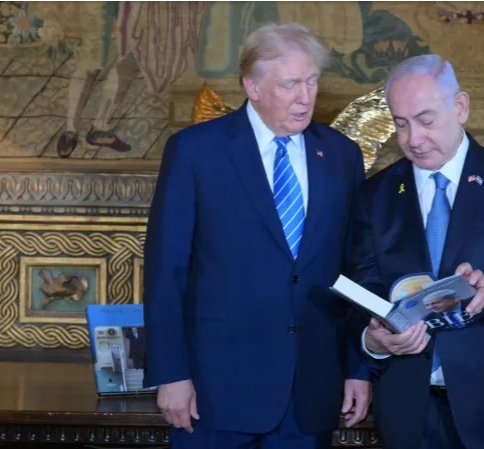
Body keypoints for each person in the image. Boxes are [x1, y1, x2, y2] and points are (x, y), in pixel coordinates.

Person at [143, 22, 371, 449]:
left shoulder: (342, 155)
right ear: (253, 86)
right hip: (215, 391)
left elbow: (354, 270)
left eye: (312, 81)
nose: (305, 97)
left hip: (309, 393)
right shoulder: (195, 151)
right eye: (290, 84)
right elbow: (166, 271)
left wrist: (358, 369)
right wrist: (171, 373)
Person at [350, 54, 484, 449]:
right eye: (401, 124)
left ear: (461, 107)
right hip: (407, 410)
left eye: (426, 120)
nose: (413, 139)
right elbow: (363, 293)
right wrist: (373, 341)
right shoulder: (374, 194)